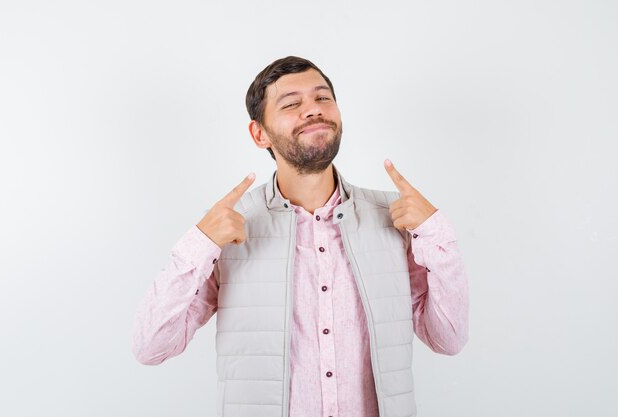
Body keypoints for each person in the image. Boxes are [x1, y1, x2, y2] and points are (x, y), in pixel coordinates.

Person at [131, 56, 469, 417]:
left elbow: (447, 339)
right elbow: (151, 347)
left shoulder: (397, 220)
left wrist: (436, 232)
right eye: (292, 104)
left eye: (323, 99)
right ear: (259, 134)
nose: (313, 110)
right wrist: (199, 243)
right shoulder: (228, 231)